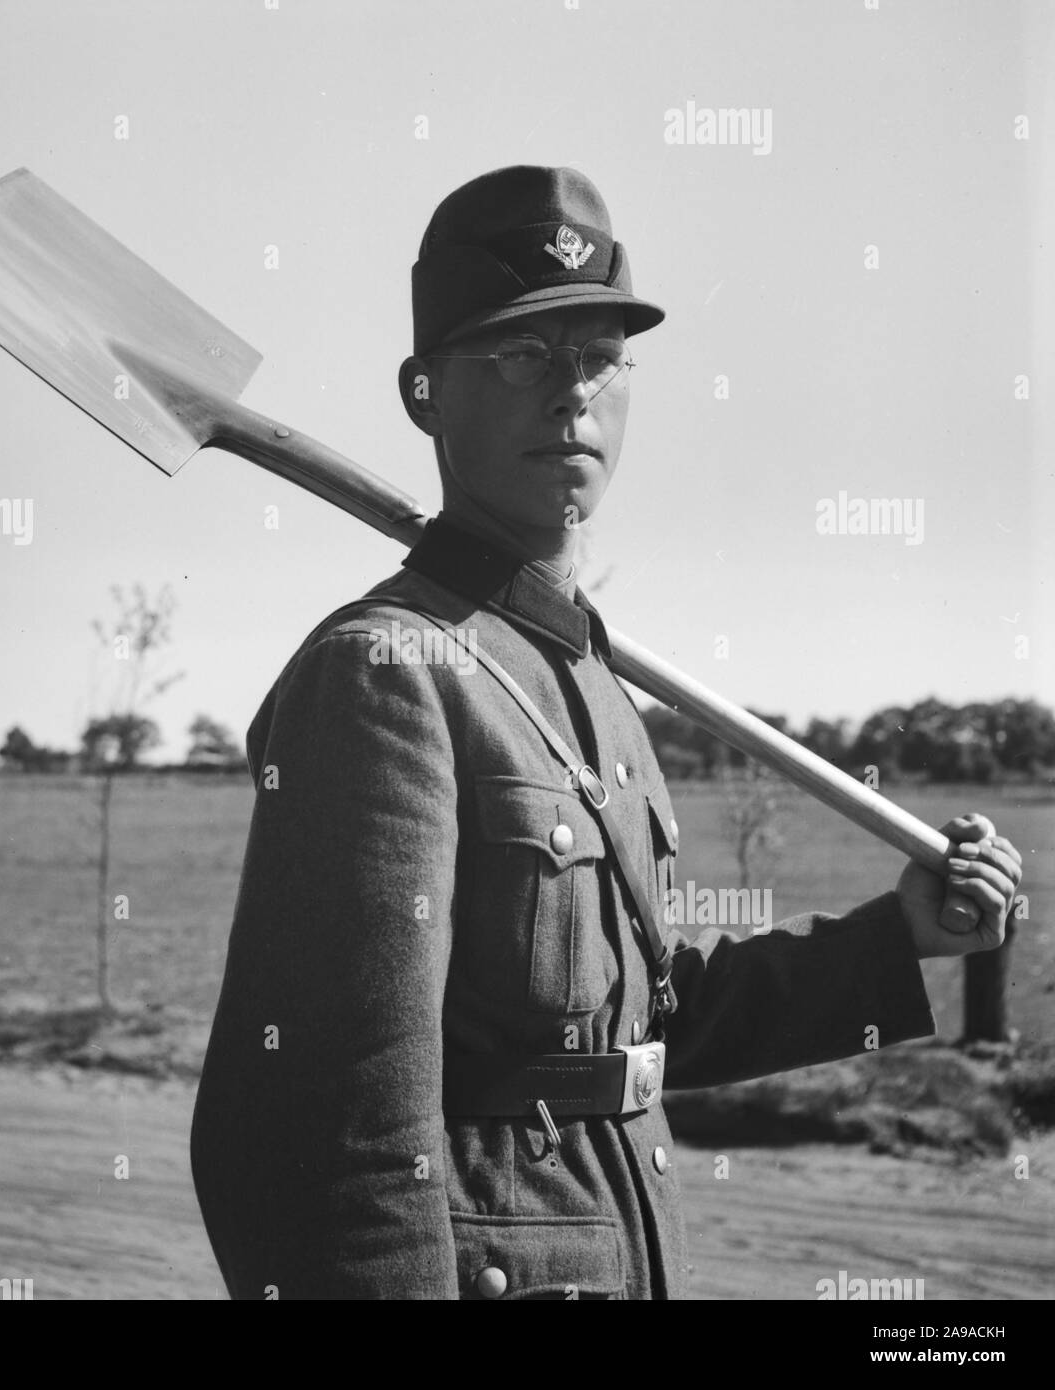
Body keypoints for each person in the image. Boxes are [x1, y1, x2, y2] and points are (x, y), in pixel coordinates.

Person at [190, 165, 1023, 1300]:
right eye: (523, 354)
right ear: (424, 390)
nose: (569, 392)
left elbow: (639, 1023)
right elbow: (321, 1127)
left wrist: (896, 941)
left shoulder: (588, 676)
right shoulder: (385, 676)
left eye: (596, 355)